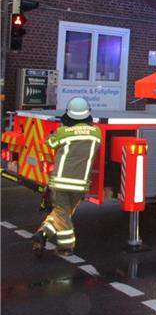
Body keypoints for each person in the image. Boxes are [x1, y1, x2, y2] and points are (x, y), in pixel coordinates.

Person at [32, 97, 102, 258]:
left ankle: (66, 246)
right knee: (63, 212)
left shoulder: (63, 132)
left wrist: (58, 131)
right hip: (80, 184)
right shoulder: (96, 133)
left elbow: (50, 143)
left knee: (62, 211)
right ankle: (43, 232)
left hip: (60, 181)